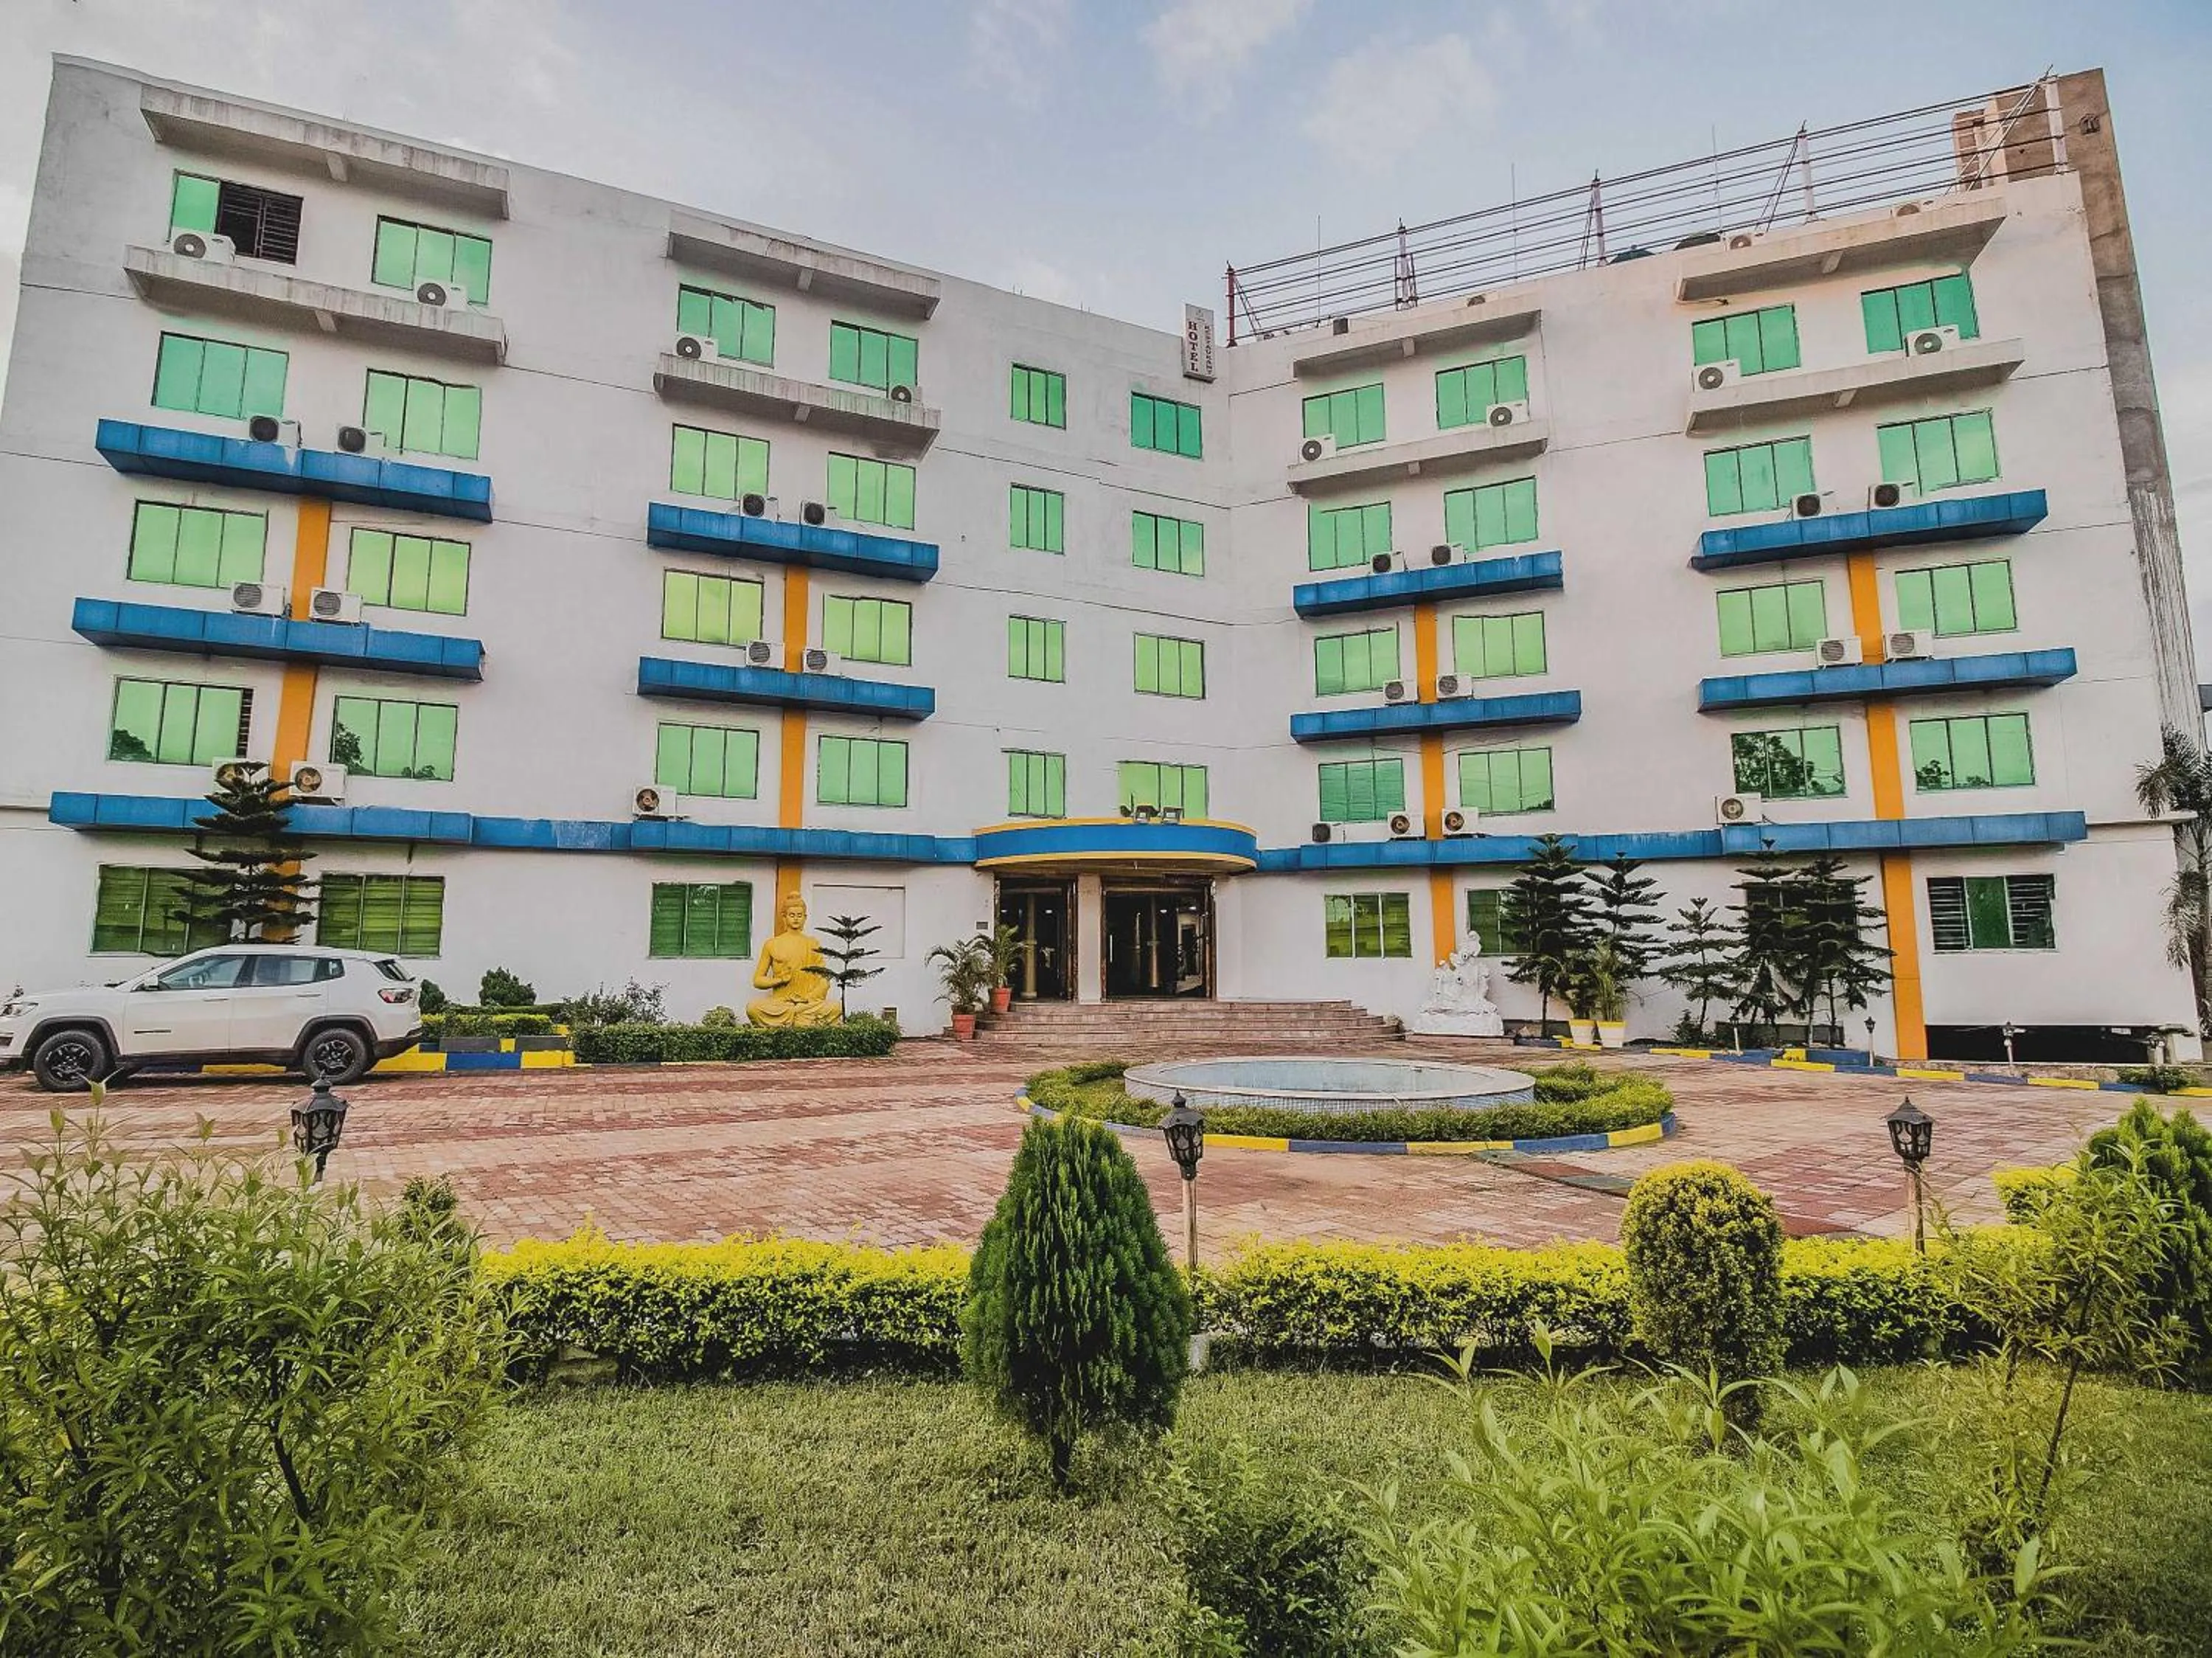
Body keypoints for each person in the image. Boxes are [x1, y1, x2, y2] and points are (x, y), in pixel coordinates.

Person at [747, 892, 837, 1027]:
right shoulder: (772, 944)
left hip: (807, 1003)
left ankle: (797, 1015)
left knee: (837, 1007)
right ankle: (800, 1018)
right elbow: (758, 980)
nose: (796, 919)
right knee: (753, 1008)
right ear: (784, 917)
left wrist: (808, 999)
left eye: (799, 916)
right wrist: (779, 980)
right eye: (792, 915)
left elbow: (824, 979)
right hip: (781, 1003)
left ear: (805, 918)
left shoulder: (813, 944)